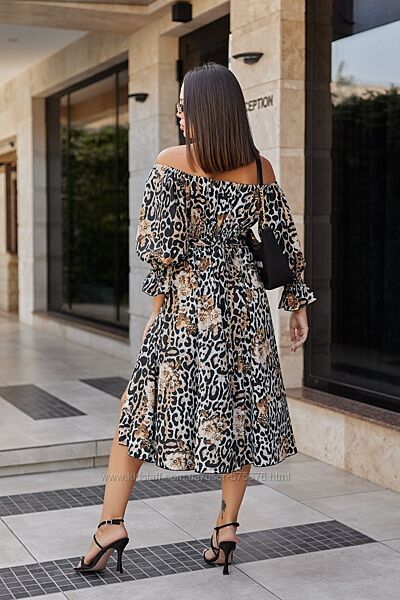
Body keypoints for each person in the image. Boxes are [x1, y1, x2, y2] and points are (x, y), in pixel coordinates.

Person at [74, 62, 317, 576]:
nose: (180, 114)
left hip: (188, 311)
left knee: (137, 411)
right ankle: (226, 529)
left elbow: (157, 249)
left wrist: (158, 304)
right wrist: (297, 305)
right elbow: (285, 245)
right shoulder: (261, 170)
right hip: (246, 312)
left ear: (205, 111)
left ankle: (111, 524)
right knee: (241, 414)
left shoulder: (172, 162)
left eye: (184, 106)